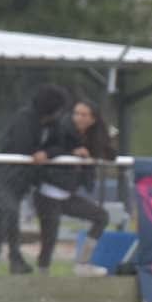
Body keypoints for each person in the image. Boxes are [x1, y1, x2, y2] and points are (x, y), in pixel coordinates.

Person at [0, 84, 70, 274]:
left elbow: (61, 146)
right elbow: (22, 146)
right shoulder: (25, 118)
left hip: (21, 180)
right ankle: (14, 258)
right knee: (10, 210)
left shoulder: (53, 125)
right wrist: (41, 152)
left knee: (1, 218)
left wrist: (46, 153)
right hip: (2, 176)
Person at [34, 100, 114, 277]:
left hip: (67, 195)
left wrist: (97, 150)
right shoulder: (61, 129)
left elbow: (110, 154)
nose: (78, 118)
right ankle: (42, 276)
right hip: (47, 193)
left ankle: (82, 264)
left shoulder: (94, 136)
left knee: (101, 217)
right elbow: (49, 150)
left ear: (92, 119)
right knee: (49, 238)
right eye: (76, 113)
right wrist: (71, 154)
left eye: (83, 115)